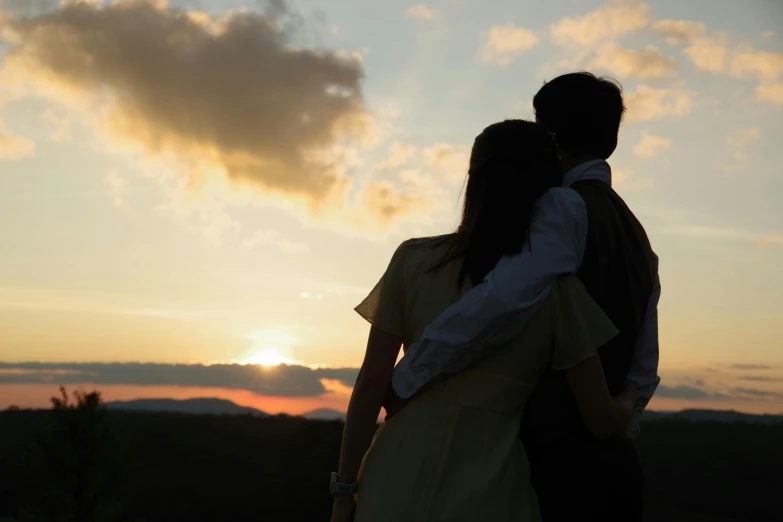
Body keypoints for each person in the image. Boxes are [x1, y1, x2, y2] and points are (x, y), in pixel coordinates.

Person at [330, 119, 638, 522]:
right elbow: (601, 420)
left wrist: (344, 493)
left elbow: (371, 385)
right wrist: (632, 396)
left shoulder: (415, 261)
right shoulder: (558, 293)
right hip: (492, 492)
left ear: (474, 182)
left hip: (393, 481)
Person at [385, 72, 661, 522]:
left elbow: (507, 298)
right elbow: (644, 364)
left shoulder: (562, 206)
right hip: (615, 468)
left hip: (552, 468)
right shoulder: (638, 235)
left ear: (549, 136)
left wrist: (408, 376)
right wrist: (622, 419)